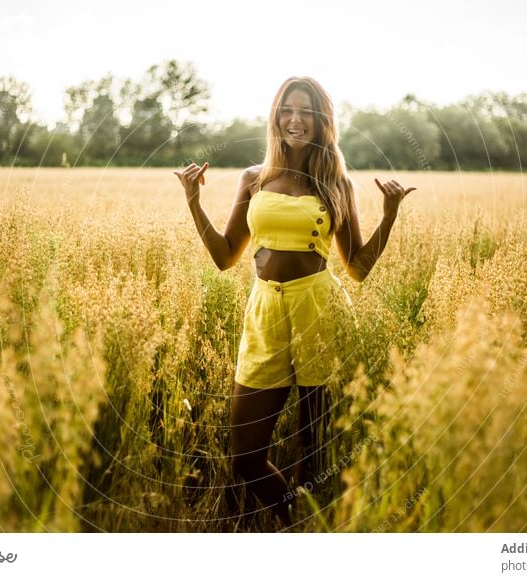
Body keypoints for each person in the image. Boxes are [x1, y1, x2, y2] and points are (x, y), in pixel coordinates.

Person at [173, 76, 416, 529]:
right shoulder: (253, 178)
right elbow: (226, 257)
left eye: (305, 112)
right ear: (276, 117)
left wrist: (390, 217)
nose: (295, 119)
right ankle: (296, 517)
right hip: (265, 310)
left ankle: (307, 532)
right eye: (287, 110)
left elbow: (358, 267)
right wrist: (193, 202)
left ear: (322, 122)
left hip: (317, 310)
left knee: (313, 452)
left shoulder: (336, 183)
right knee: (245, 454)